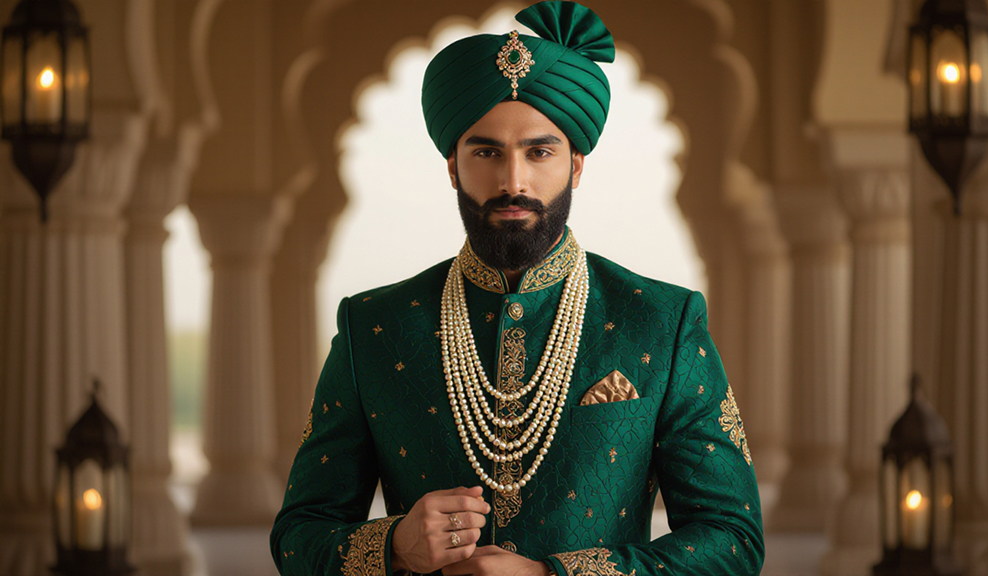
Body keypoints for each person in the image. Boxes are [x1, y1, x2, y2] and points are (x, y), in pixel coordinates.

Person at [270, 2, 764, 575]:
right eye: (486, 152)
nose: (513, 181)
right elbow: (296, 537)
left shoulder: (661, 321)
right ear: (453, 167)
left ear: (576, 164)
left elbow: (732, 542)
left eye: (540, 151)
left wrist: (552, 575)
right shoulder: (373, 327)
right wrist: (393, 545)